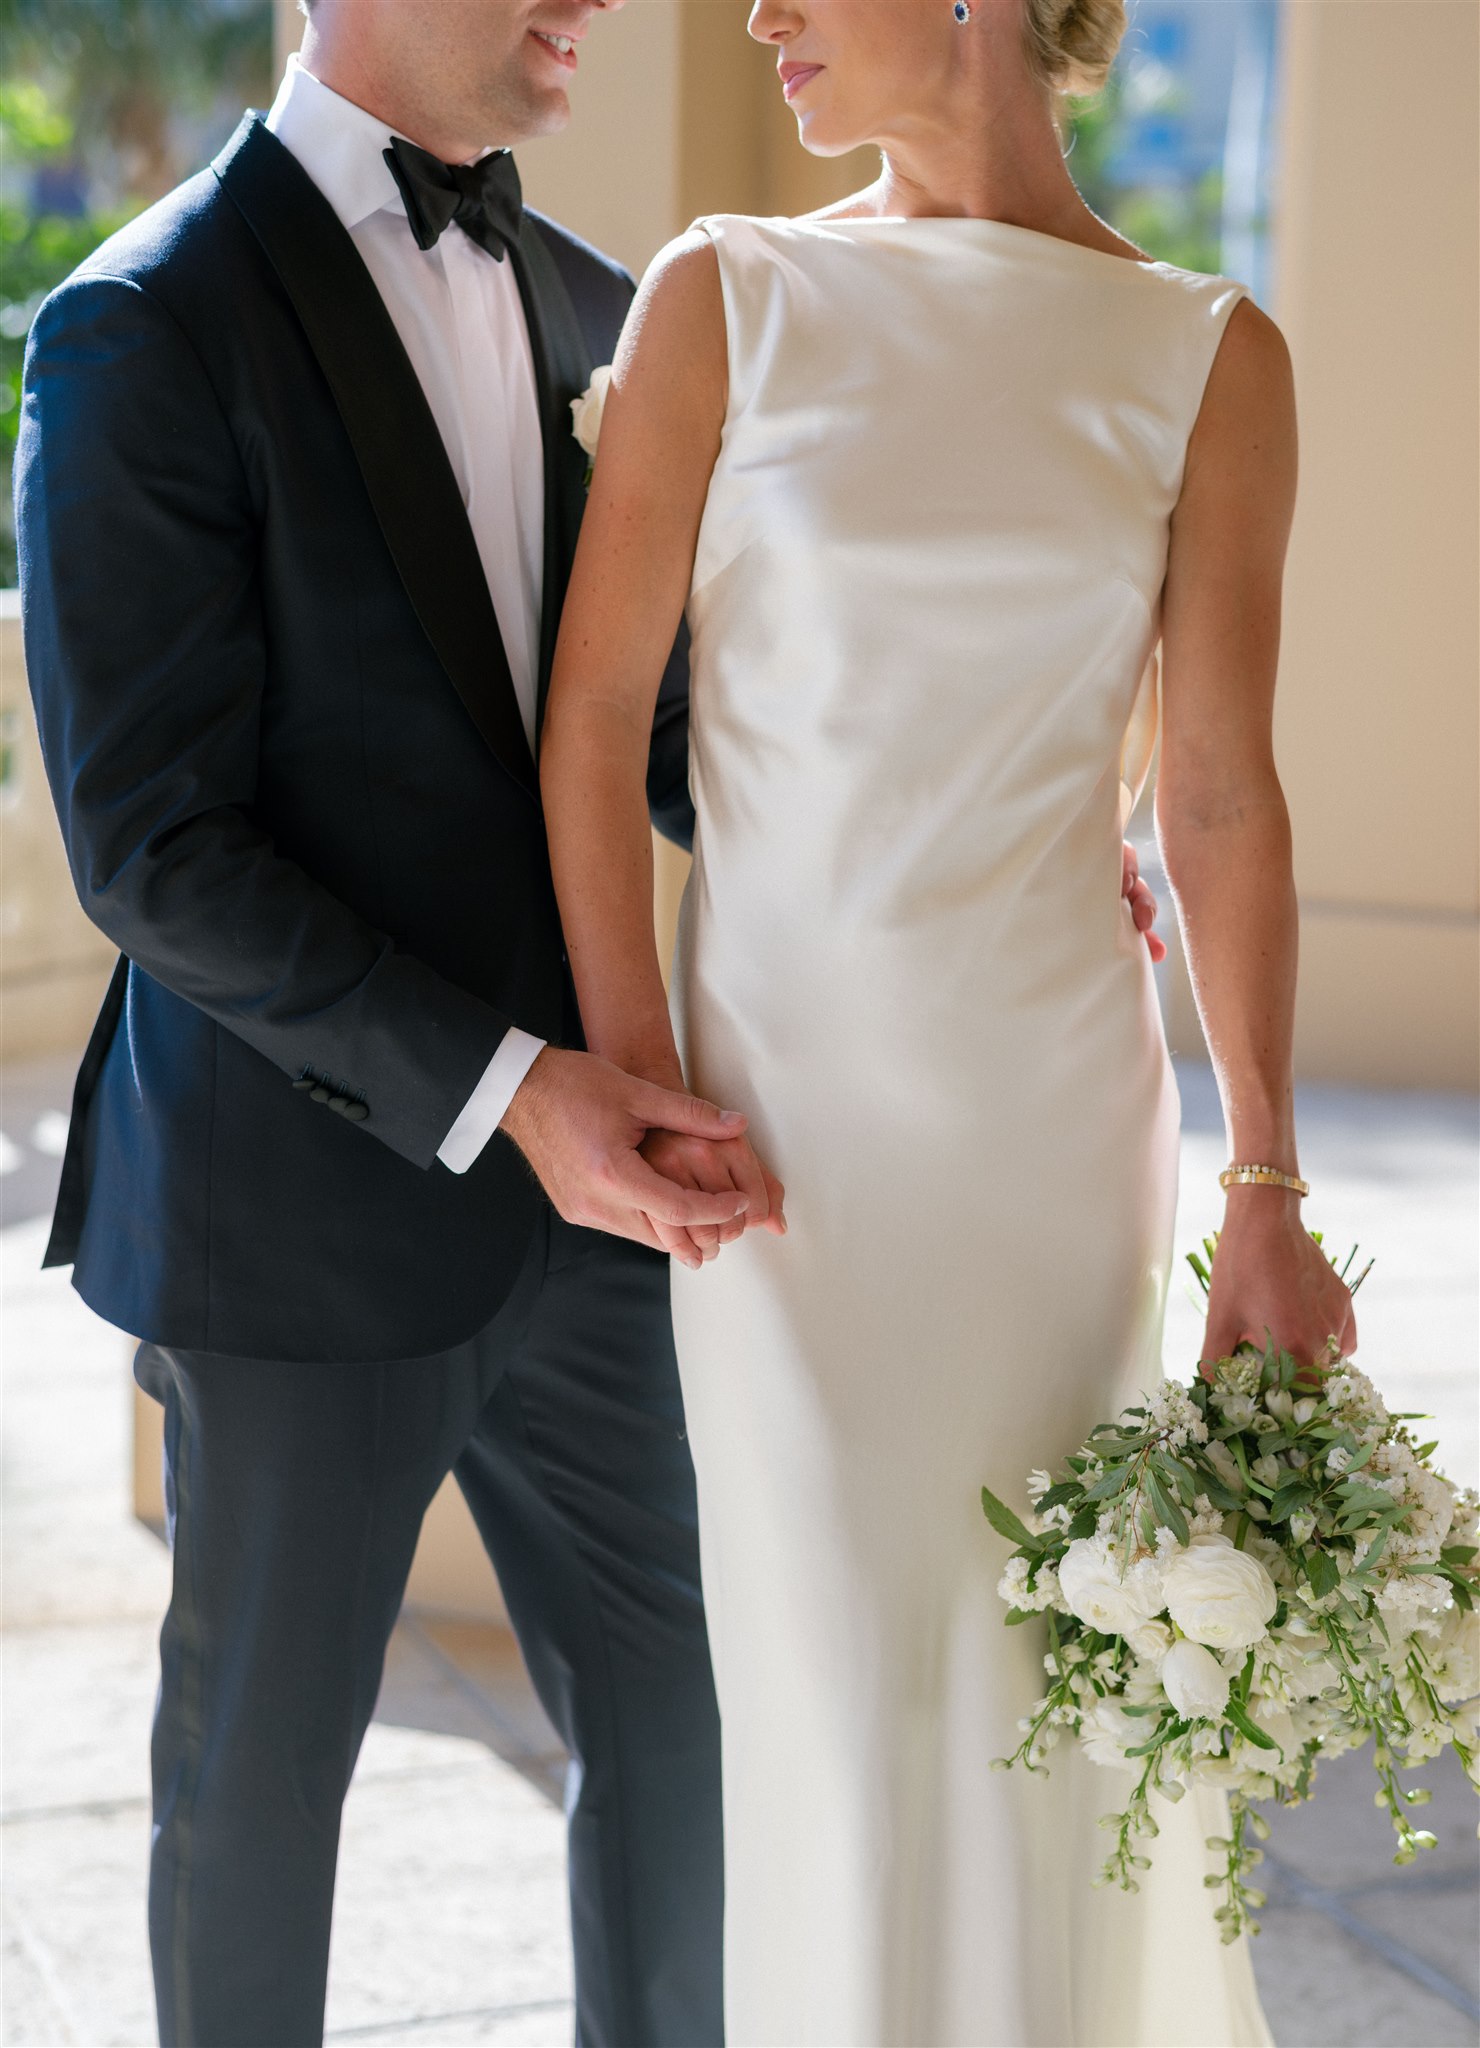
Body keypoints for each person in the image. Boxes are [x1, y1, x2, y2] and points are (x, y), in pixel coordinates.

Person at [18, 0, 1167, 2041]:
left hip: (617, 1213)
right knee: (257, 1800)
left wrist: (985, 832)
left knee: (688, 1756)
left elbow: (676, 731)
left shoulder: (602, 301)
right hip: (299, 1218)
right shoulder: (148, 317)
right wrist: (507, 1089)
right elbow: (154, 849)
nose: (603, 3)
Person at [538, 0, 1359, 2042]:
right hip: (779, 1155)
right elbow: (583, 732)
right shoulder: (728, 295)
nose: (764, 22)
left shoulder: (1203, 354)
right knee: (830, 1698)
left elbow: (1221, 789)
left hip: (1049, 1138)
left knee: (1037, 1691)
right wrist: (633, 1069)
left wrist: (1259, 1175)